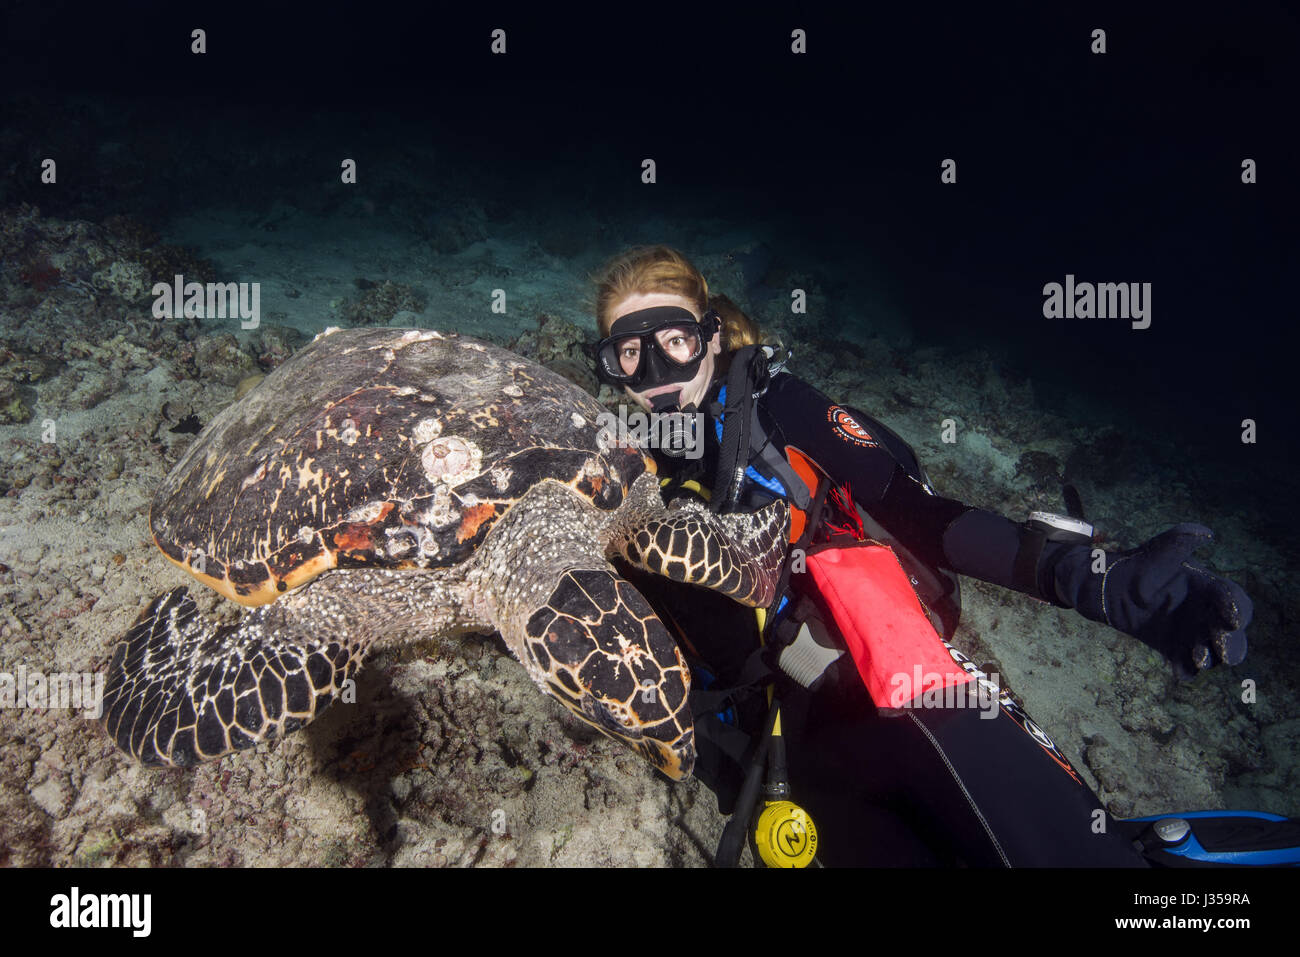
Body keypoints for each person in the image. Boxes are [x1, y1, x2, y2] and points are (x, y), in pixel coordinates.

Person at [588, 245, 1256, 867]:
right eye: (628, 355)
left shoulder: (778, 410)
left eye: (672, 343)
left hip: (906, 689)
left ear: (707, 337)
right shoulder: (617, 477)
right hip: (790, 761)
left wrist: (1093, 581)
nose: (653, 377)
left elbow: (920, 513)